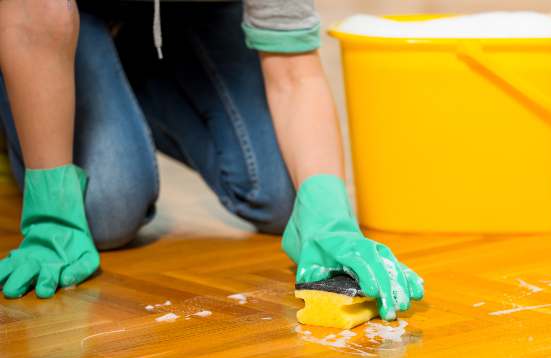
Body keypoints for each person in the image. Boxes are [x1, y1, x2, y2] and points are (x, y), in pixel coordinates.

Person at [0, 0, 423, 321]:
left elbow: (295, 74)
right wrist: (53, 209)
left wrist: (331, 217)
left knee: (283, 195)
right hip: (61, 22)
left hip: (193, 21)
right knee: (109, 208)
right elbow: (33, 20)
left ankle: (134, 85)